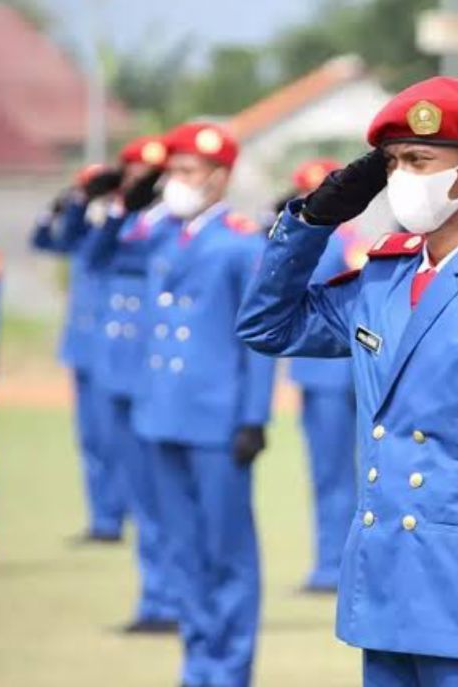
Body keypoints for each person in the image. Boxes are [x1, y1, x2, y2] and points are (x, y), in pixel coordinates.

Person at [238, 76, 458, 687]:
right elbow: (266, 326)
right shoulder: (382, 281)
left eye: (418, 160)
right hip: (384, 597)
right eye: (392, 163)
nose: (401, 178)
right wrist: (311, 221)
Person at [135, 122, 276, 687]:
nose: (175, 181)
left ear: (219, 178)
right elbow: (93, 248)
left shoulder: (243, 241)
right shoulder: (162, 235)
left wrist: (253, 416)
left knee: (228, 553)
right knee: (181, 549)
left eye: (187, 171)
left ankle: (230, 669)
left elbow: (259, 340)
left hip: (218, 419)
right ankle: (198, 666)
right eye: (172, 171)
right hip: (162, 413)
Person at [83, 136, 181, 632]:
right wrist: (117, 207)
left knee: (167, 495)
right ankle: (155, 598)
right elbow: (92, 257)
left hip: (156, 375)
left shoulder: (175, 227)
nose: (139, 182)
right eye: (132, 174)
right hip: (119, 372)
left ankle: (173, 598)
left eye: (150, 175)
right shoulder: (129, 219)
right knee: (141, 494)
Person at [284, 158, 370, 592]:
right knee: (329, 472)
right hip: (319, 371)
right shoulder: (320, 237)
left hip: (333, 372)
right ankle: (331, 561)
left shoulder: (348, 240)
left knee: (334, 472)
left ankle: (334, 566)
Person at [30, 164, 124, 543]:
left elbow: (109, 241)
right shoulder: (82, 231)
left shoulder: (116, 233)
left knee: (111, 436)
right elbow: (44, 241)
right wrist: (63, 206)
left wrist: (116, 204)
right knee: (89, 438)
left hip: (108, 348)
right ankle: (102, 515)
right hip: (81, 347)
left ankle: (116, 515)